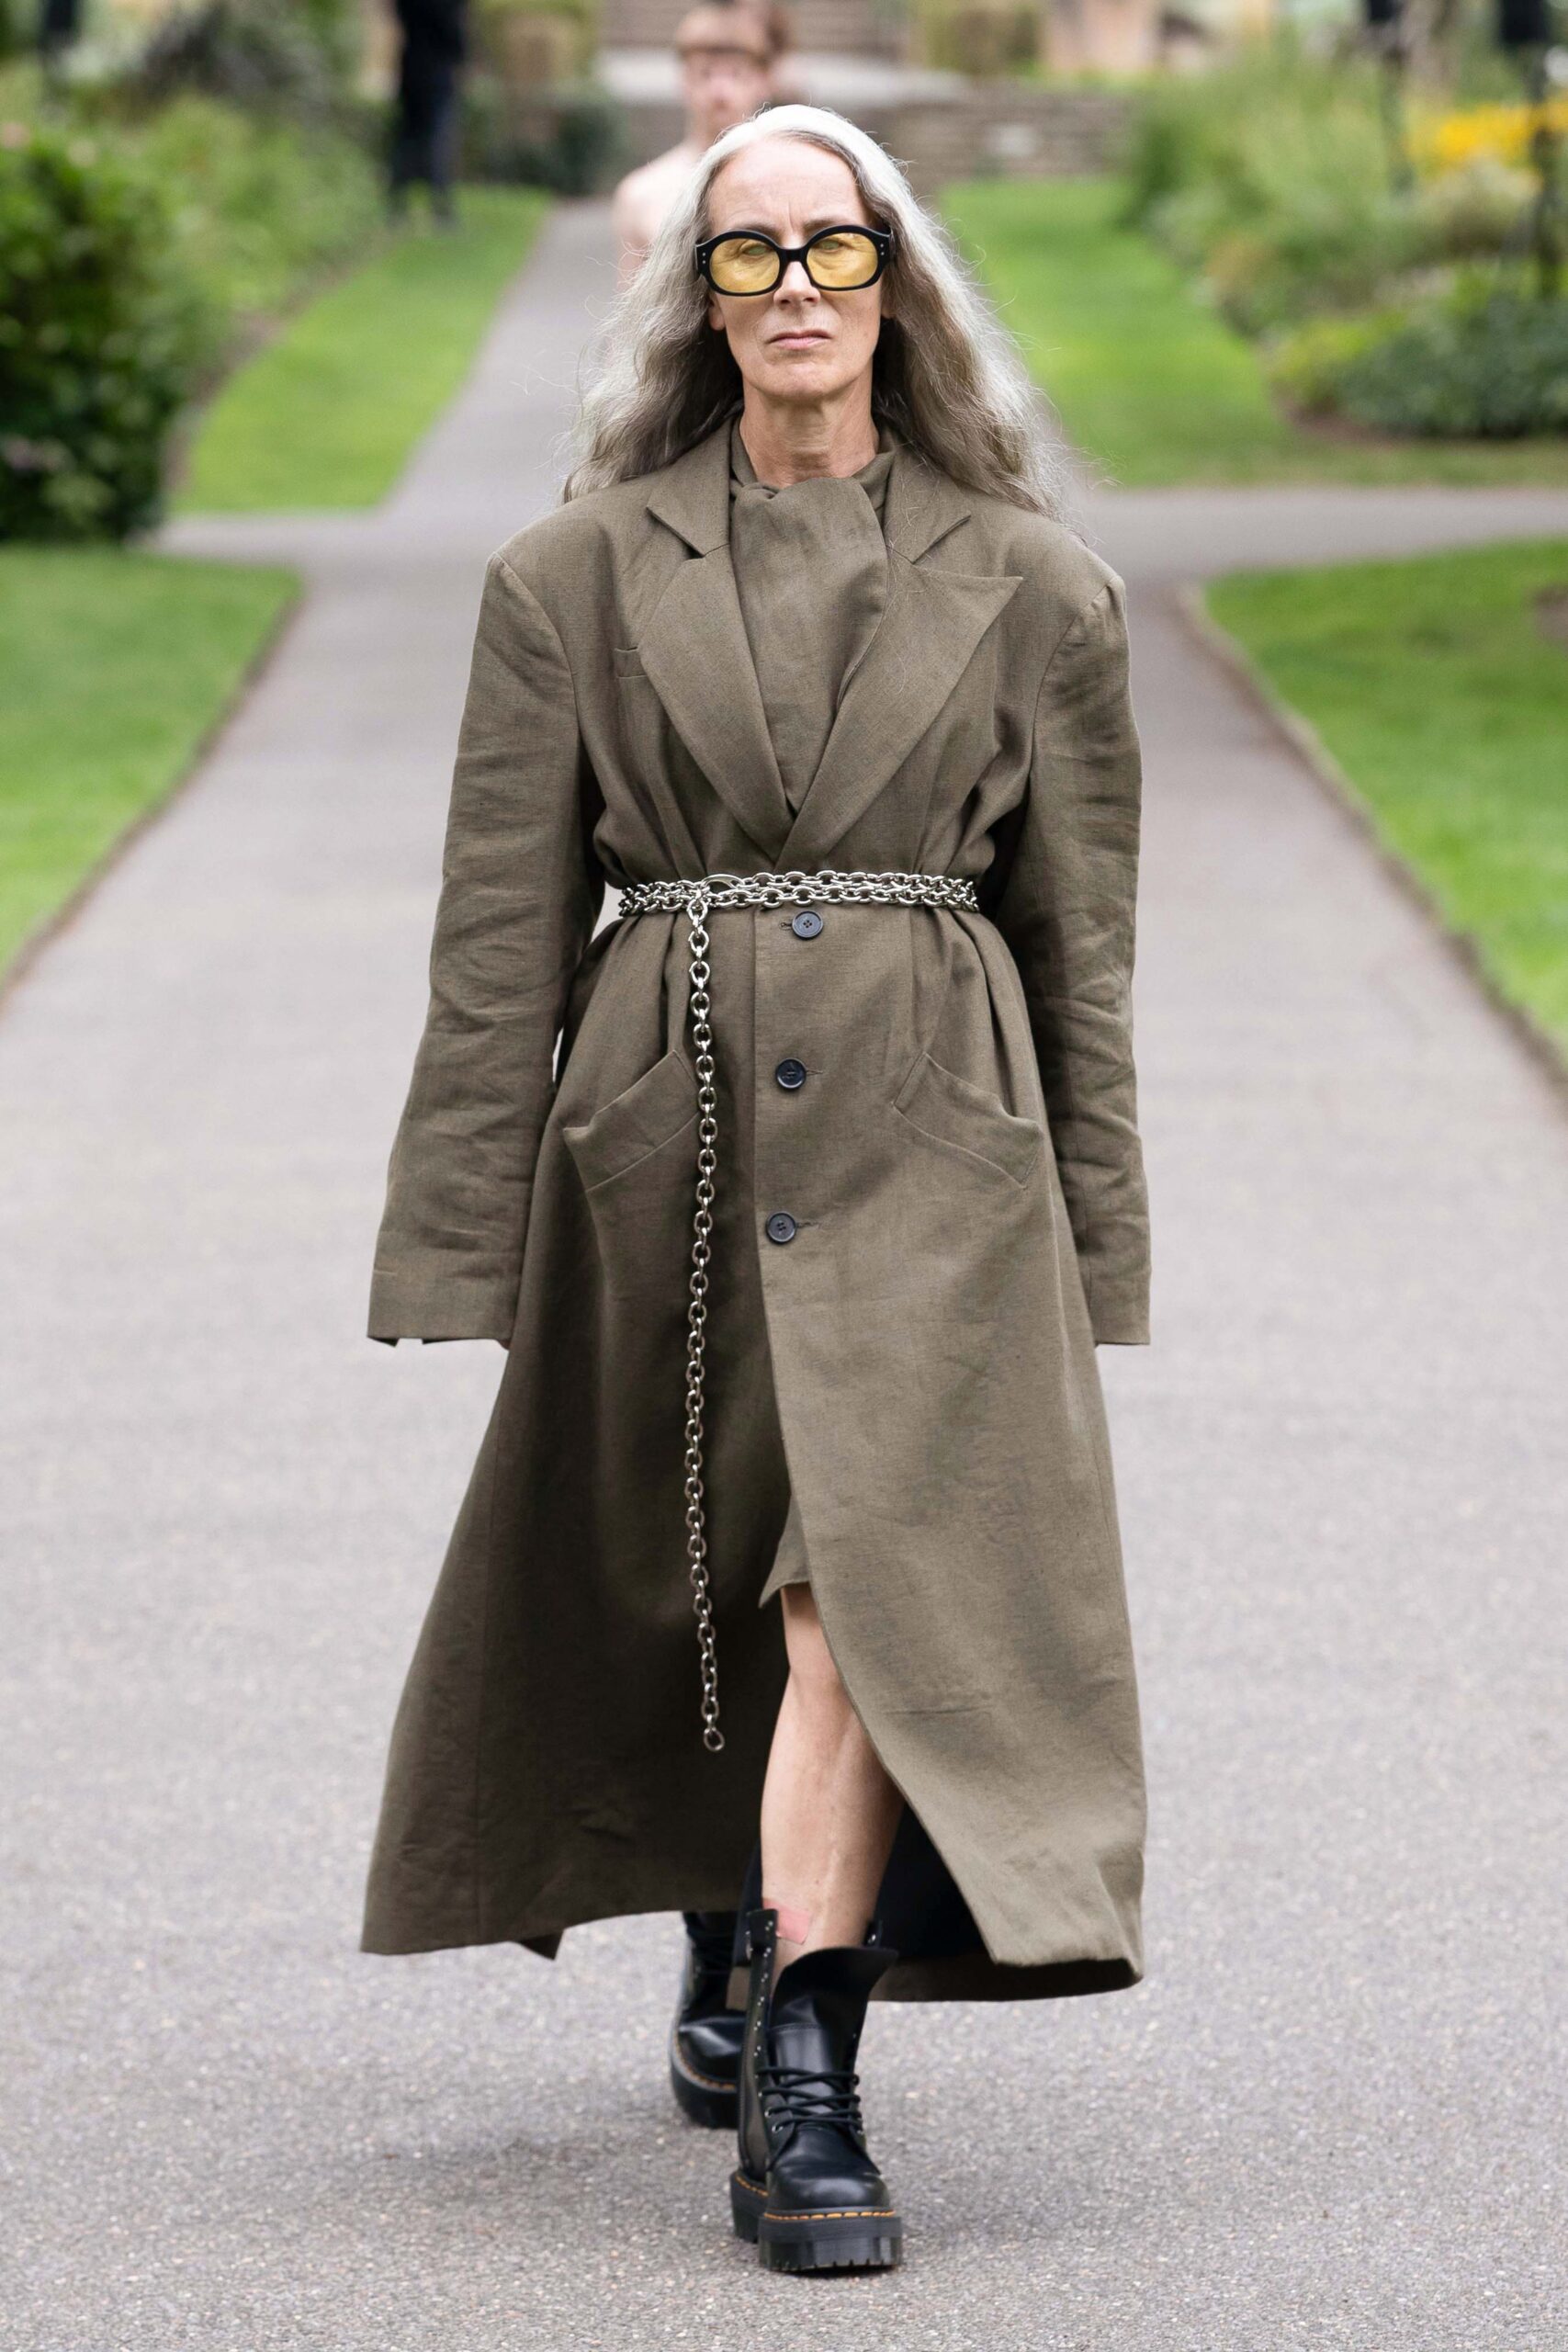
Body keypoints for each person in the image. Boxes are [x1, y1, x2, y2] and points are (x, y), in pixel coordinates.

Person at [362, 102, 1152, 2278]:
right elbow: (491, 936)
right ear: (695, 301)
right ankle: (733, 1908)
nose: (792, 287)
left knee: (850, 1597)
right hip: (667, 1126)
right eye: (746, 255)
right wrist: (459, 1239)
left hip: (933, 1146)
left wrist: (1094, 1240)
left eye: (832, 246)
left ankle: (804, 2065)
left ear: (896, 279)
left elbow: (1078, 946)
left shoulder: (1034, 586)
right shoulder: (574, 575)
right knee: (704, 1579)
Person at [610, 2, 788, 286]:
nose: (720, 91)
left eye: (736, 74)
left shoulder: (792, 180)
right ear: (684, 79)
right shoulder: (641, 193)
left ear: (763, 80)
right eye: (705, 73)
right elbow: (630, 314)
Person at [389, 0, 468, 226]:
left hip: (411, 66)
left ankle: (398, 201)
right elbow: (452, 29)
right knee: (438, 136)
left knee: (407, 135)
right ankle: (440, 205)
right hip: (438, 70)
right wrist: (461, 55)